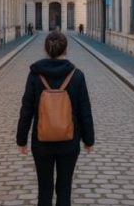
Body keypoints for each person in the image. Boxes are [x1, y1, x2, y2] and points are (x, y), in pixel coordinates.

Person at [17, 31, 95, 206]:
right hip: (69, 142)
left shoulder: (35, 75)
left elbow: (26, 109)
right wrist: (88, 140)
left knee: (44, 190)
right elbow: (85, 110)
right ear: (66, 49)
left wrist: (21, 140)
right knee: (64, 190)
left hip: (42, 142)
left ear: (45, 49)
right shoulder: (77, 75)